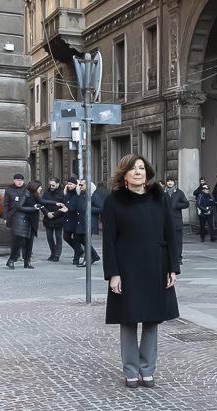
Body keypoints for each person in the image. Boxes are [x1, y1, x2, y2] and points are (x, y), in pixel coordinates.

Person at [102, 154, 180, 389]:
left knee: (151, 318)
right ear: (124, 174)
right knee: (128, 319)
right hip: (126, 268)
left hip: (156, 264)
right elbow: (109, 241)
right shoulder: (113, 201)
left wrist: (172, 267)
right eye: (133, 168)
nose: (138, 172)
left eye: (142, 168)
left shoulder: (159, 197)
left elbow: (170, 233)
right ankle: (130, 370)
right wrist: (113, 273)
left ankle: (147, 370)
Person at [6, 180, 43, 270]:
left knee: (30, 242)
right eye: (39, 187)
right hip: (23, 221)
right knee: (21, 241)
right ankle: (11, 259)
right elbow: (19, 207)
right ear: (35, 187)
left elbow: (43, 203)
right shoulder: (25, 194)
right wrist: (33, 208)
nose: (41, 188)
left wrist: (55, 204)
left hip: (32, 221)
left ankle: (27, 261)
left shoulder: (36, 196)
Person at [67, 179, 103, 267]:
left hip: (89, 222)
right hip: (80, 222)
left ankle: (87, 259)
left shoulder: (93, 196)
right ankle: (94, 255)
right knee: (78, 239)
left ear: (87, 185)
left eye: (81, 185)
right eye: (79, 185)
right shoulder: (81, 195)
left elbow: (101, 208)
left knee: (86, 241)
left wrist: (89, 209)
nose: (79, 187)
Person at [3, 174, 29, 262]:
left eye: (21, 180)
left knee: (25, 237)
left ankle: (26, 255)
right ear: (14, 180)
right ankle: (15, 255)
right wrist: (5, 217)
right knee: (15, 237)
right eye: (18, 180)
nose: (19, 182)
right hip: (14, 215)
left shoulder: (27, 189)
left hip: (25, 215)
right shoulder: (9, 190)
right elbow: (6, 204)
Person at [165, 177, 189, 265]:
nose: (170, 183)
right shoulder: (163, 193)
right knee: (167, 240)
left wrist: (177, 205)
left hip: (176, 220)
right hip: (166, 221)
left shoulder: (179, 193)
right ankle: (168, 258)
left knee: (178, 241)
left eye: (171, 181)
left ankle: (178, 258)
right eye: (168, 181)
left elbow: (186, 204)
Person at [42, 177, 65, 262]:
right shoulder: (46, 192)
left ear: (57, 184)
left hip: (58, 218)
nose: (51, 187)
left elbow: (64, 206)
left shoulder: (62, 193)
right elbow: (42, 204)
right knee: (49, 236)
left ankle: (57, 254)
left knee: (58, 236)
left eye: (53, 185)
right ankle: (53, 252)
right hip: (48, 217)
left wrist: (55, 214)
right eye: (50, 185)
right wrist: (47, 213)